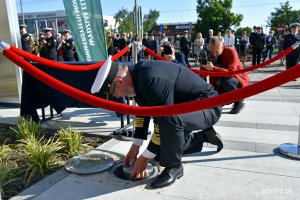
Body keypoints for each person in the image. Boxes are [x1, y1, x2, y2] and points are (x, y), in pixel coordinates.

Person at [91, 59, 223, 189]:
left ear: (118, 82)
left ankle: (175, 166)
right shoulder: (137, 76)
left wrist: (144, 157)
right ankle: (204, 137)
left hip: (208, 107)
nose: (118, 97)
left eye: (113, 93)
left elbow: (165, 120)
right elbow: (143, 111)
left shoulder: (152, 78)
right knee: (160, 153)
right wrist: (136, 145)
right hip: (186, 110)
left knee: (170, 124)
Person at [201, 36, 250, 114]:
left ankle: (239, 101)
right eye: (212, 51)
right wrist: (204, 66)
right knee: (212, 100)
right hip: (220, 83)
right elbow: (202, 76)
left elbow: (230, 72)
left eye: (216, 52)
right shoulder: (209, 55)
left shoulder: (231, 51)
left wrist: (213, 68)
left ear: (222, 47)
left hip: (237, 80)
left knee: (225, 79)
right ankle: (226, 100)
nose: (214, 54)